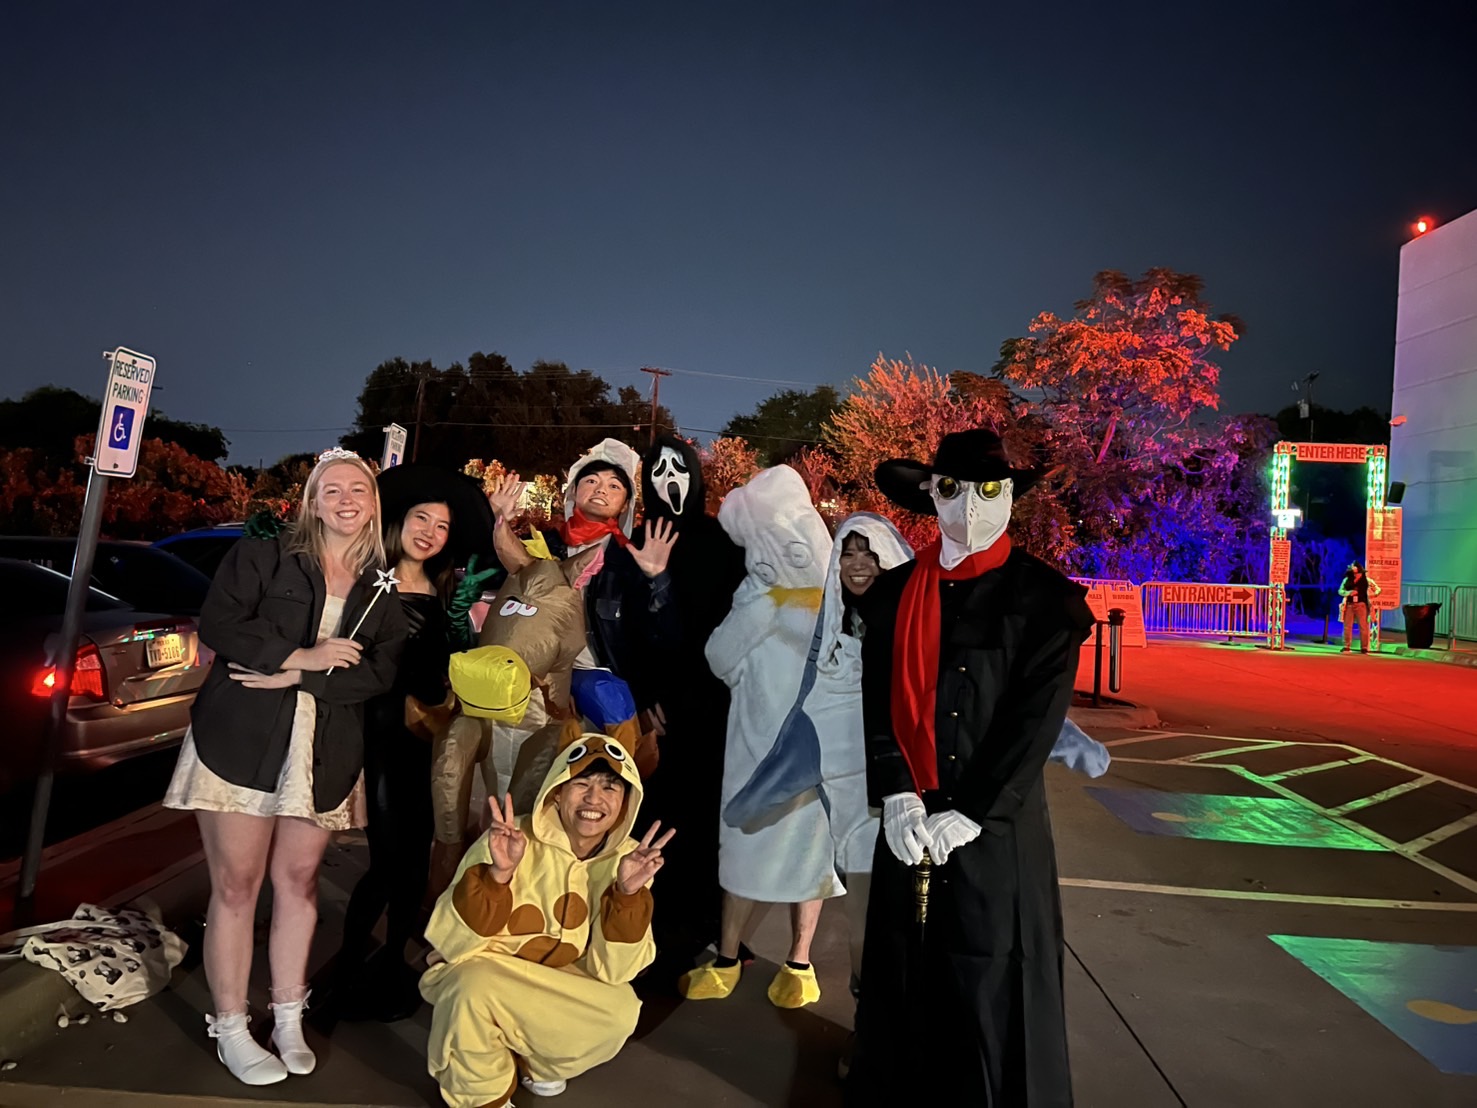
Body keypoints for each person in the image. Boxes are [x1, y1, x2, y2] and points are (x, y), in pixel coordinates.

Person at [845, 429, 1094, 1107]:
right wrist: (897, 792)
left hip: (995, 831)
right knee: (905, 965)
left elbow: (1032, 722)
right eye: (953, 490)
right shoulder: (894, 594)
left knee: (993, 971)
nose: (971, 508)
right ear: (932, 494)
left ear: (1010, 495)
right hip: (911, 821)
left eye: (989, 491)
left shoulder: (1045, 601)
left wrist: (976, 810)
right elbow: (876, 704)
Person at [164, 447, 407, 1086]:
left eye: (358, 489)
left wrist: (302, 676)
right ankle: (230, 1027)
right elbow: (220, 623)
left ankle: (288, 1017)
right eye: (333, 490)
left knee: (298, 883)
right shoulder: (266, 553)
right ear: (312, 502)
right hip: (242, 740)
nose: (346, 499)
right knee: (237, 886)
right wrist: (300, 655)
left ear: (374, 503)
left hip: (323, 750)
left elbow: (380, 672)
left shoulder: (381, 584)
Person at [419, 723, 672, 1108]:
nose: (594, 798)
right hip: (491, 970)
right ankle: (483, 1096)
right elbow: (451, 942)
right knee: (471, 987)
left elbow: (616, 970)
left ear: (625, 802)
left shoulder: (630, 859)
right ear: (557, 792)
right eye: (581, 784)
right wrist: (498, 876)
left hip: (561, 979)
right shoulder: (510, 837)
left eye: (610, 787)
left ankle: (536, 1061)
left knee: (620, 1011)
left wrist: (627, 896)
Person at [333, 464, 493, 1023]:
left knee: (414, 862)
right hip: (377, 735)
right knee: (384, 861)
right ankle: (347, 964)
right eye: (422, 519)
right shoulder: (365, 580)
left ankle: (393, 962)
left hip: (427, 738)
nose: (431, 532)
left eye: (443, 526)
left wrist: (458, 622)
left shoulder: (446, 589)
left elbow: (455, 666)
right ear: (399, 522)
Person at [681, 465, 842, 1010]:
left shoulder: (836, 597)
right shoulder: (755, 595)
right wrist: (766, 607)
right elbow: (719, 657)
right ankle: (727, 956)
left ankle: (800, 960)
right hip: (751, 745)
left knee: (811, 856)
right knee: (743, 851)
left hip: (813, 749)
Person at [480, 440, 677, 806]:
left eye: (614, 485)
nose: (601, 489)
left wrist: (657, 579)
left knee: (606, 717)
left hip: (597, 674)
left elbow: (657, 634)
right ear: (572, 491)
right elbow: (486, 575)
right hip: (534, 675)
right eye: (591, 480)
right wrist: (491, 519)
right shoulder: (541, 545)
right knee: (519, 776)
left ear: (626, 504)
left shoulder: (631, 558)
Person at [633, 434, 747, 987]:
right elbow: (624, 627)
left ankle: (705, 921)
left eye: (678, 469)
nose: (668, 480)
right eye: (657, 471)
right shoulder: (635, 540)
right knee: (655, 813)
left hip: (712, 703)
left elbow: (736, 617)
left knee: (705, 814)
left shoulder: (721, 540)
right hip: (656, 709)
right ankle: (651, 924)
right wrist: (641, 694)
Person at [1338, 560, 1382, 654]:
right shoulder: (1347, 580)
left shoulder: (1366, 580)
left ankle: (1364, 647)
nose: (1353, 569)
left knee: (1363, 626)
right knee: (1347, 626)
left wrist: (1371, 596)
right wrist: (1348, 593)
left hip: (1361, 605)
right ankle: (1346, 646)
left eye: (1354, 567)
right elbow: (1340, 591)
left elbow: (1377, 589)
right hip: (1349, 604)